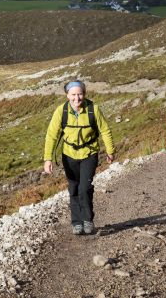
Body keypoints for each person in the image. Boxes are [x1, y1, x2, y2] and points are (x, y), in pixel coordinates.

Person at [43, 80, 115, 235]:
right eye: (73, 94)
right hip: (69, 155)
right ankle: (76, 223)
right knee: (73, 187)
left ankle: (88, 220)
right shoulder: (60, 111)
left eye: (80, 94)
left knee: (85, 187)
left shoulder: (93, 109)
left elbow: (105, 130)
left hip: (89, 153)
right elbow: (51, 135)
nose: (77, 98)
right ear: (67, 95)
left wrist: (110, 151)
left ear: (84, 93)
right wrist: (47, 158)